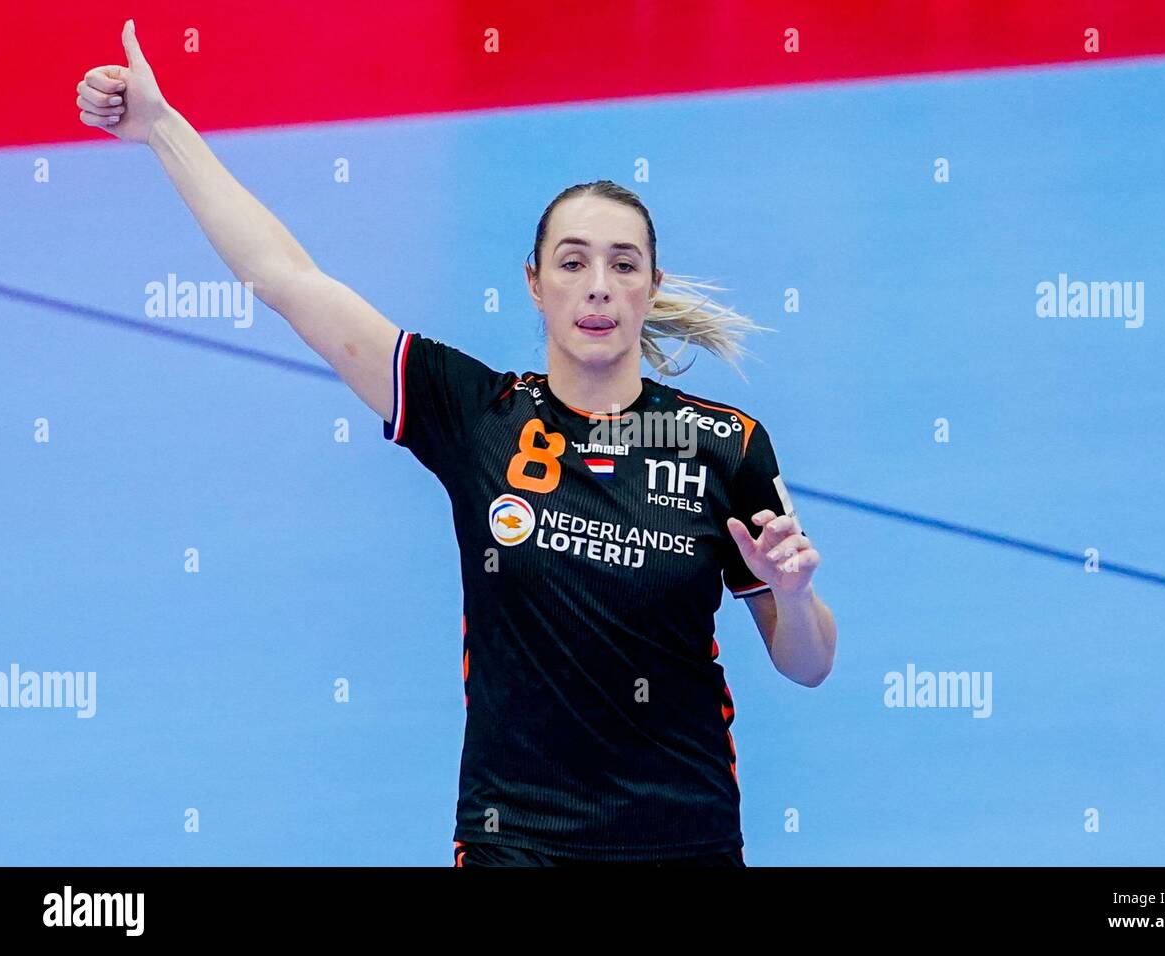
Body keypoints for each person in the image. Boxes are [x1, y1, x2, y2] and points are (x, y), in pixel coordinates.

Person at [78, 19, 838, 867]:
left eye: (624, 265)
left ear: (652, 287)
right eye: (573, 262)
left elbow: (808, 665)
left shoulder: (724, 445)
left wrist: (792, 594)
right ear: (534, 283)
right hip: (515, 838)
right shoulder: (474, 414)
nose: (598, 287)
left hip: (684, 838)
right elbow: (290, 279)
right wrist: (161, 129)